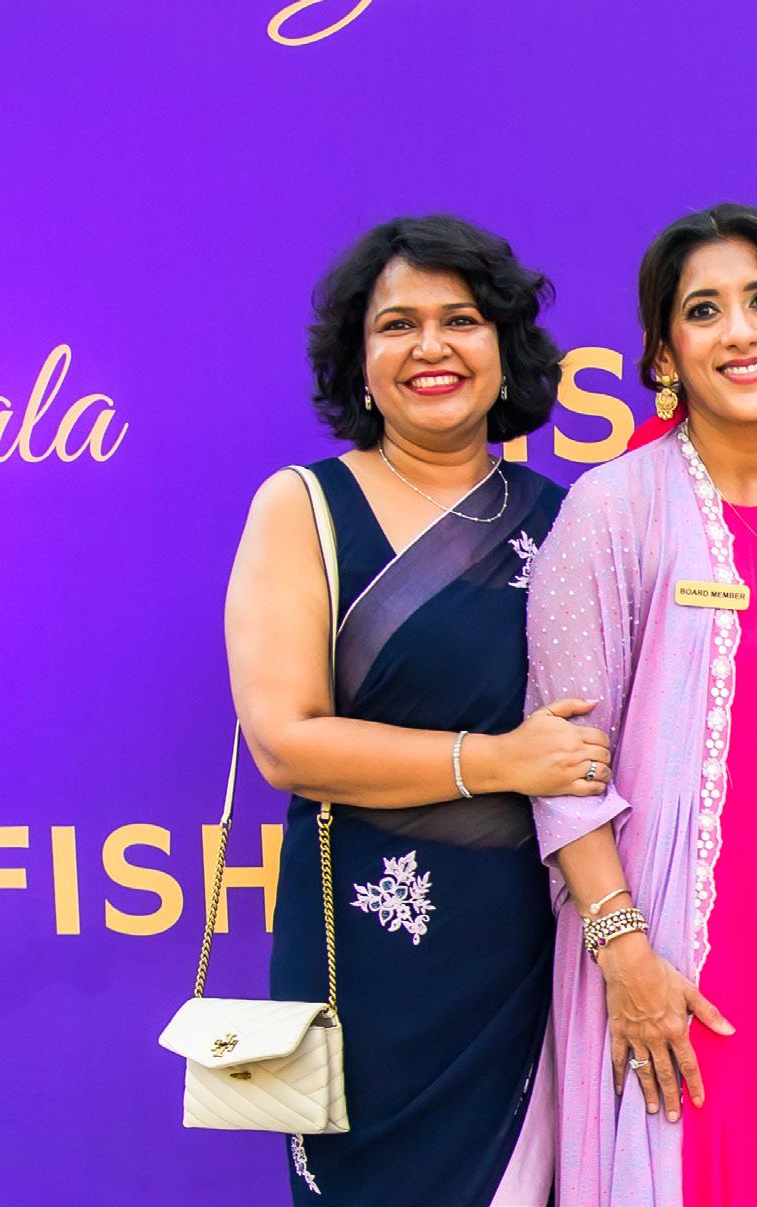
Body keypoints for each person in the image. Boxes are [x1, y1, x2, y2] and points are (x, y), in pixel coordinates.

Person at [224, 214, 586, 1205]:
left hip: (524, 953)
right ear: (360, 361)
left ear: (503, 350)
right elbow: (285, 741)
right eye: (398, 324)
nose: (432, 346)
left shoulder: (566, 521)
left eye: (460, 320)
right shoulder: (302, 507)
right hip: (362, 954)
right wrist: (497, 762)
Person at [525, 203, 757, 1205]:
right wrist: (624, 954)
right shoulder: (613, 507)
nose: (740, 332)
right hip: (678, 960)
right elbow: (564, 766)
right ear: (664, 353)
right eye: (704, 310)